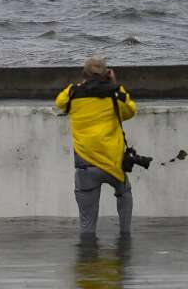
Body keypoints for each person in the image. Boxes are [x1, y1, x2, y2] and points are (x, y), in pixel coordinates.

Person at [55, 56, 137, 238]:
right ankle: (125, 234)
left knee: (87, 223)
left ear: (83, 73)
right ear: (108, 74)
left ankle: (88, 254)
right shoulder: (116, 92)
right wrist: (114, 84)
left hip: (86, 166)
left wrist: (81, 84)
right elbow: (130, 111)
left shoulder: (72, 92)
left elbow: (60, 103)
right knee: (124, 192)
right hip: (113, 164)